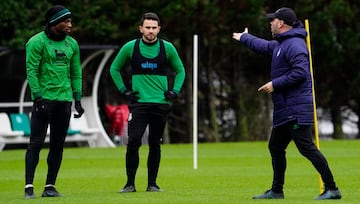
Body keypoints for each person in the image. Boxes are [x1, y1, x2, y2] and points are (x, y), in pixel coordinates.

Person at [232, 7, 341, 200]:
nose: (270, 23)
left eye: (273, 20)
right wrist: (245, 38)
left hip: (296, 109)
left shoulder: (295, 45)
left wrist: (275, 84)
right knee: (275, 146)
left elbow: (301, 73)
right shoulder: (281, 44)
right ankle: (276, 191)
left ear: (281, 23)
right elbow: (265, 46)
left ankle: (332, 189)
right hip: (286, 109)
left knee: (306, 147)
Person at [110, 12, 185, 193]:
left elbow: (180, 70)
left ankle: (152, 184)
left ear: (159, 29)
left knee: (155, 143)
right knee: (133, 141)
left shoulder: (167, 48)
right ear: (141, 28)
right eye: (147, 27)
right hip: (139, 104)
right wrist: (123, 90)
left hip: (160, 104)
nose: (150, 31)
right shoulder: (130, 47)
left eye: (154, 28)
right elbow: (114, 68)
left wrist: (174, 91)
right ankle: (130, 184)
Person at [24, 5, 84, 199]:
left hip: (64, 101)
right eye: (66, 21)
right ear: (54, 23)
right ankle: (29, 187)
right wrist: (38, 96)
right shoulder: (36, 42)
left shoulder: (72, 44)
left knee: (57, 145)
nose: (70, 24)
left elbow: (76, 73)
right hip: (44, 101)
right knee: (35, 144)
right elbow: (31, 70)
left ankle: (50, 186)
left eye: (70, 21)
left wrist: (77, 99)